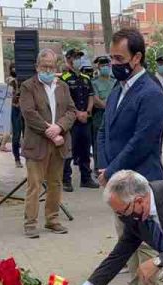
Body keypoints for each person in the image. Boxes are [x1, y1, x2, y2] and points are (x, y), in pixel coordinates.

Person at [97, 28, 163, 285]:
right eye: (111, 57)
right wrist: (103, 165)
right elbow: (104, 131)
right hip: (117, 180)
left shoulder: (150, 92)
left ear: (137, 57)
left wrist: (112, 170)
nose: (114, 63)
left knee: (146, 244)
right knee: (126, 238)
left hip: (141, 181)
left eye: (119, 58)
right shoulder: (118, 89)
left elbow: (142, 140)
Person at [19, 49, 77, 238]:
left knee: (55, 183)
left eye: (51, 67)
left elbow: (71, 111)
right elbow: (29, 114)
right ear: (37, 66)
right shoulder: (28, 86)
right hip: (37, 144)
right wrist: (50, 132)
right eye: (44, 66)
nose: (47, 70)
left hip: (59, 144)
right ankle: (30, 223)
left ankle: (52, 220)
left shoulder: (63, 86)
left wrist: (60, 127)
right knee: (34, 185)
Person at [61, 49, 99, 192]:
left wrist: (88, 112)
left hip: (85, 119)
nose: (78, 60)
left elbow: (90, 96)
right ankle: (66, 180)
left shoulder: (85, 78)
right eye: (75, 57)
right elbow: (65, 100)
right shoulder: (64, 79)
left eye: (79, 57)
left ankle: (86, 178)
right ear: (68, 59)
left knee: (85, 150)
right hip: (71, 121)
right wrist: (77, 113)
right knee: (69, 151)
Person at [92, 56, 116, 170]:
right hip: (100, 116)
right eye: (102, 65)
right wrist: (109, 107)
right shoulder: (94, 82)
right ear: (98, 67)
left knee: (113, 141)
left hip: (115, 116)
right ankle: (99, 168)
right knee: (99, 143)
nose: (105, 67)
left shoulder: (115, 81)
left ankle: (112, 166)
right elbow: (96, 100)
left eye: (107, 65)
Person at [8, 63, 24, 168]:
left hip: (24, 109)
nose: (14, 70)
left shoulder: (24, 81)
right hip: (15, 109)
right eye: (12, 68)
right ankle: (17, 158)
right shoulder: (10, 81)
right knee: (16, 135)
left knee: (27, 134)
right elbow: (10, 96)